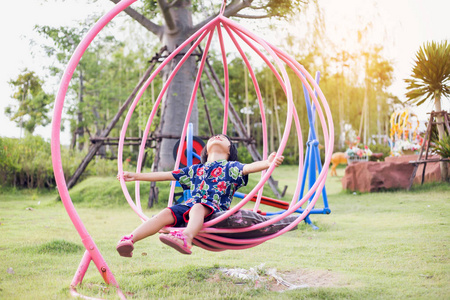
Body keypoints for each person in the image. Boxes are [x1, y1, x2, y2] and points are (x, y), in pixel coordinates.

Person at [116, 134, 284, 256]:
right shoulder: (196, 169)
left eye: (223, 137)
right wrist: (136, 176)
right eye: (214, 137)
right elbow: (166, 175)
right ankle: (130, 239)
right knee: (166, 213)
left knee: (197, 206)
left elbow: (249, 167)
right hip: (189, 206)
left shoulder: (231, 166)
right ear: (205, 149)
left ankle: (186, 237)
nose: (217, 137)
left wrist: (268, 163)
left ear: (229, 150)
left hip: (214, 209)